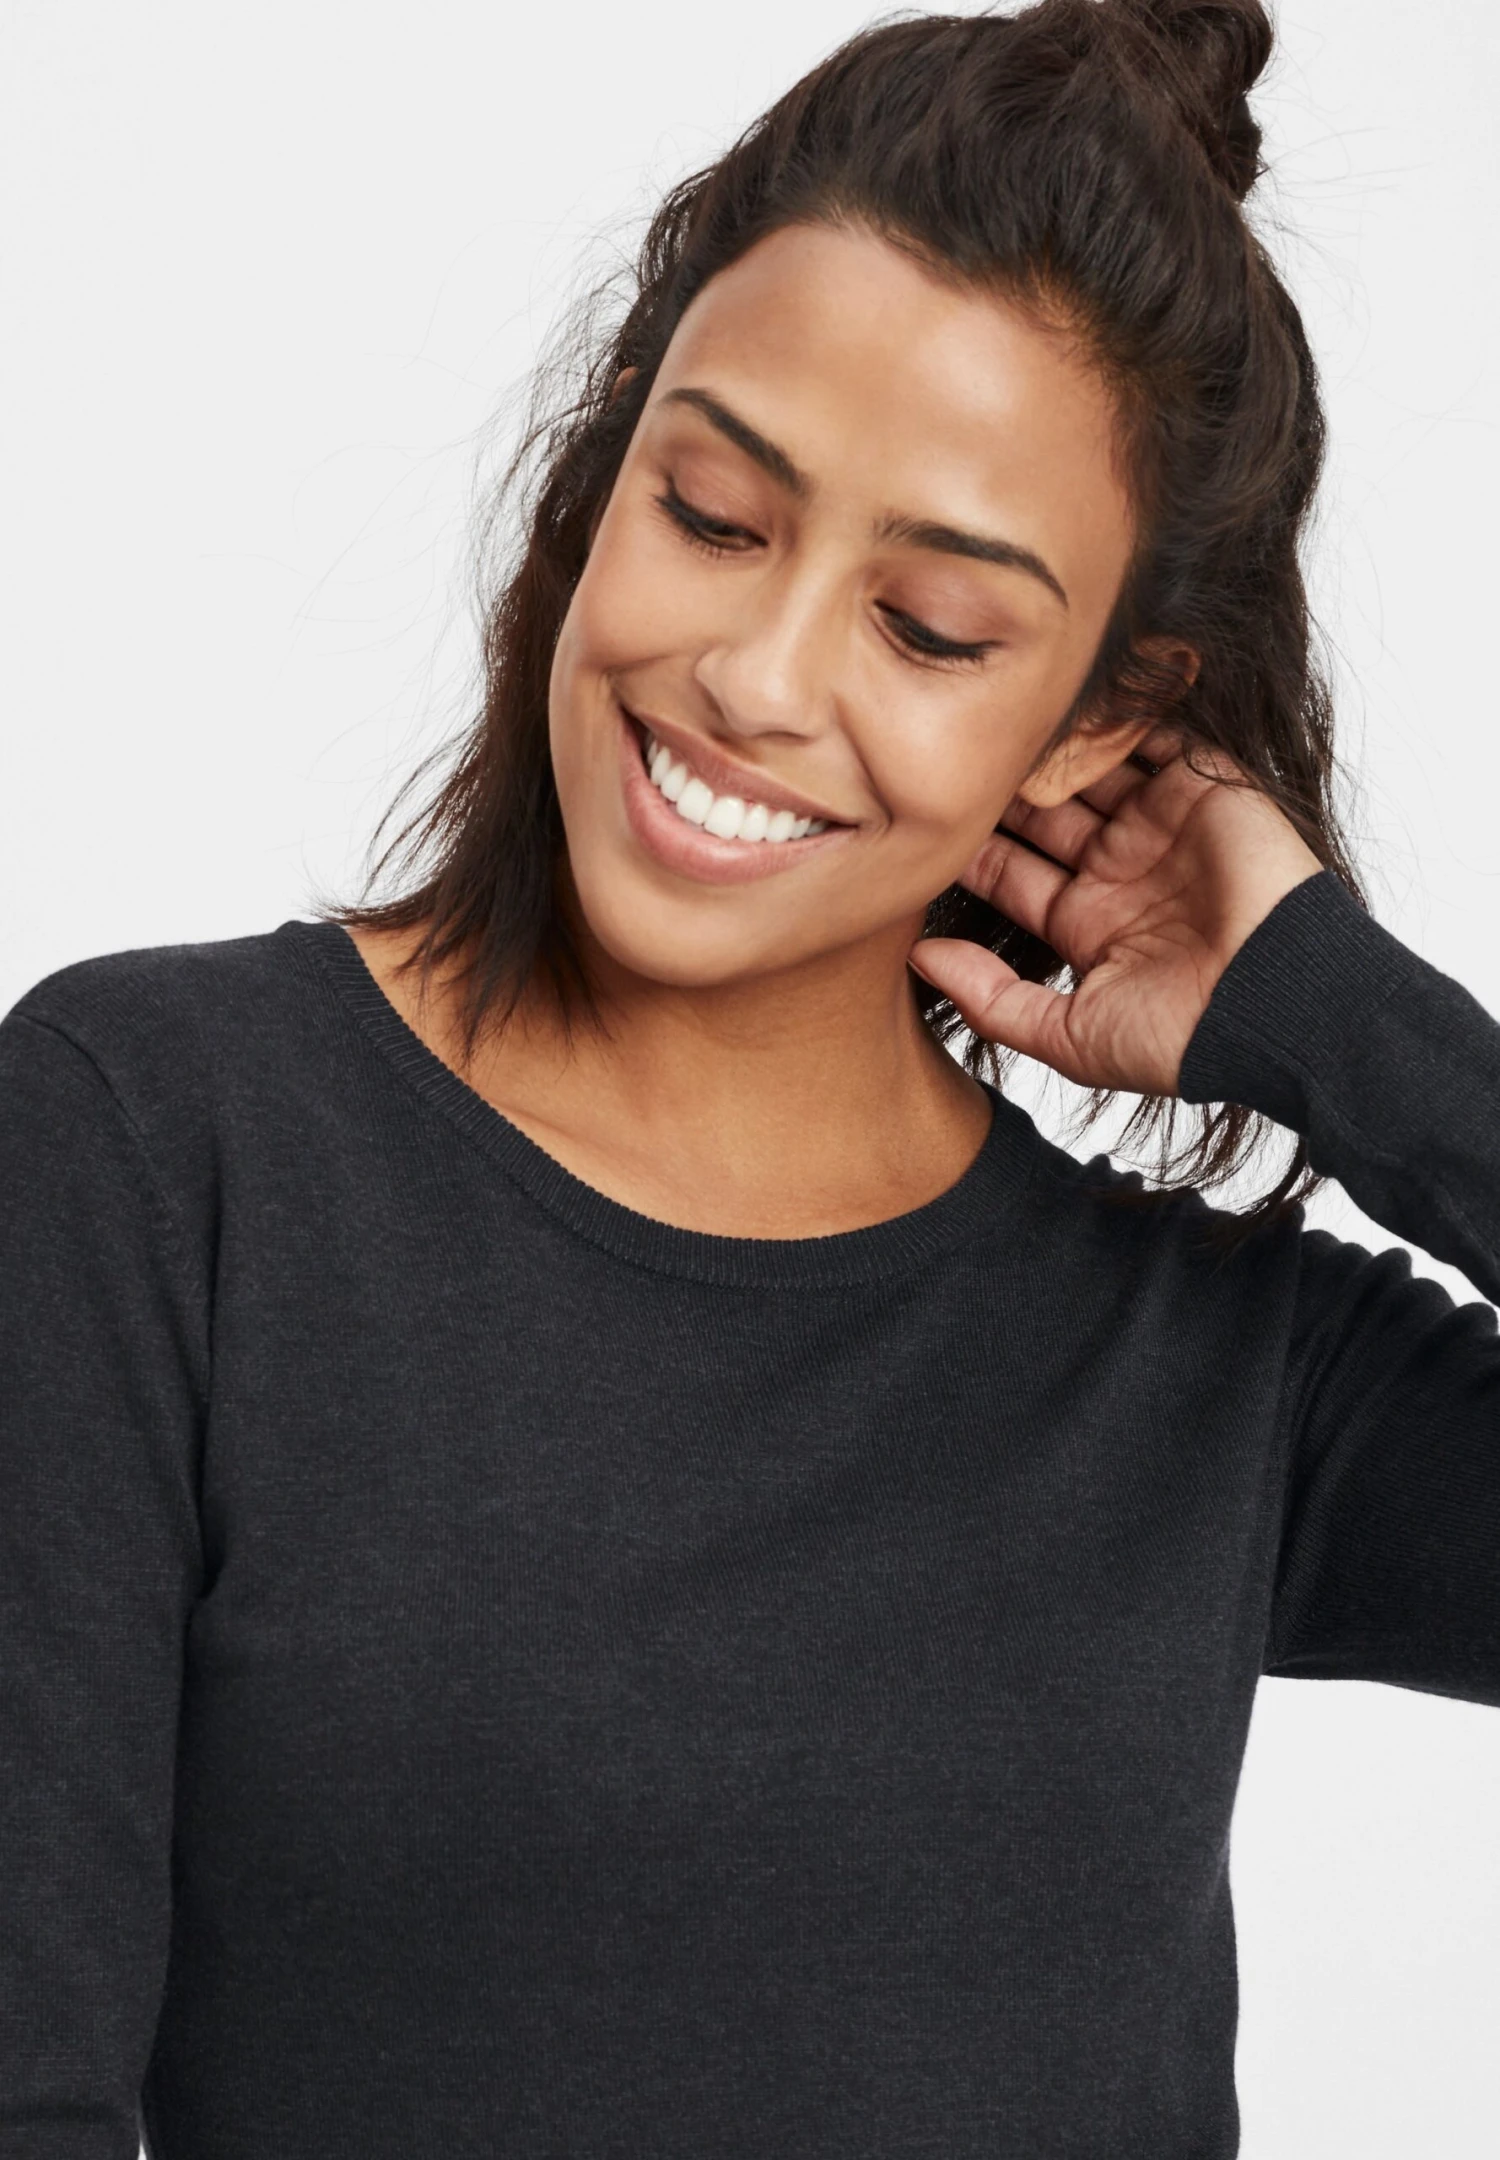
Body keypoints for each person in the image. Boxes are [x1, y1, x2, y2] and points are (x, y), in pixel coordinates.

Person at [2, 1, 1496, 2154]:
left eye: (934, 629)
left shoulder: (1212, 1361)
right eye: (712, 513)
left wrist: (1340, 1015)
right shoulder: (156, 1146)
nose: (757, 677)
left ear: (1101, 717)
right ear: (613, 464)